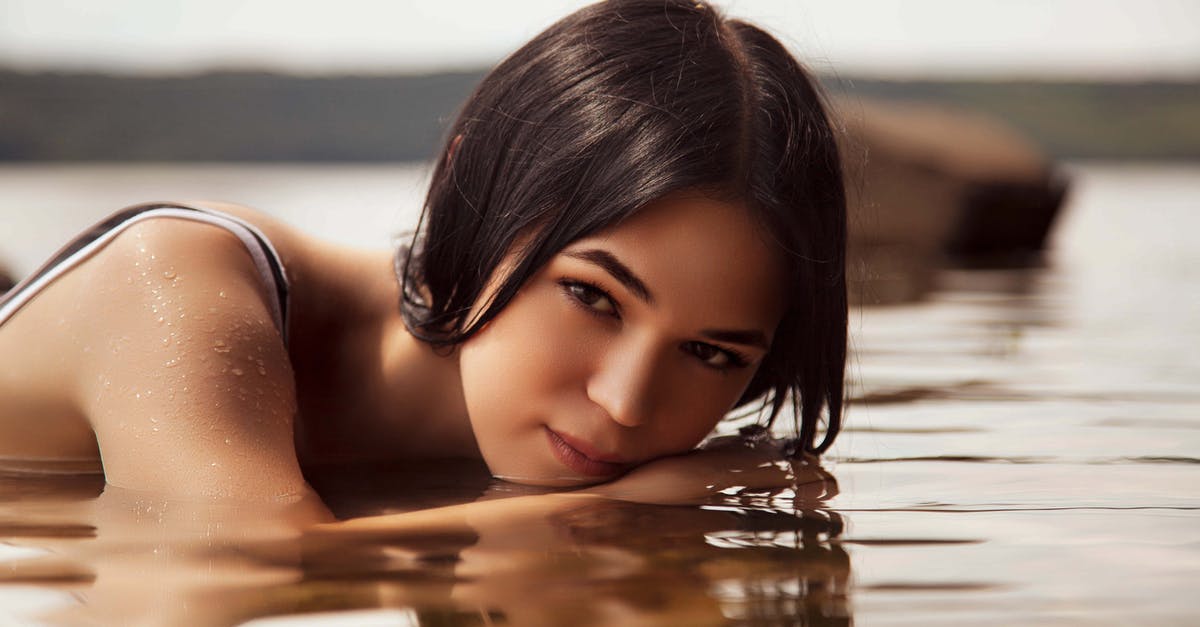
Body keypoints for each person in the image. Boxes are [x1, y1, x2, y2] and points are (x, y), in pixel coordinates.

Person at [0, 0, 846, 507]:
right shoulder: (178, 284)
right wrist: (630, 508)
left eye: (709, 352)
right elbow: (235, 572)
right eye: (593, 296)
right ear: (474, 184)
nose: (625, 403)